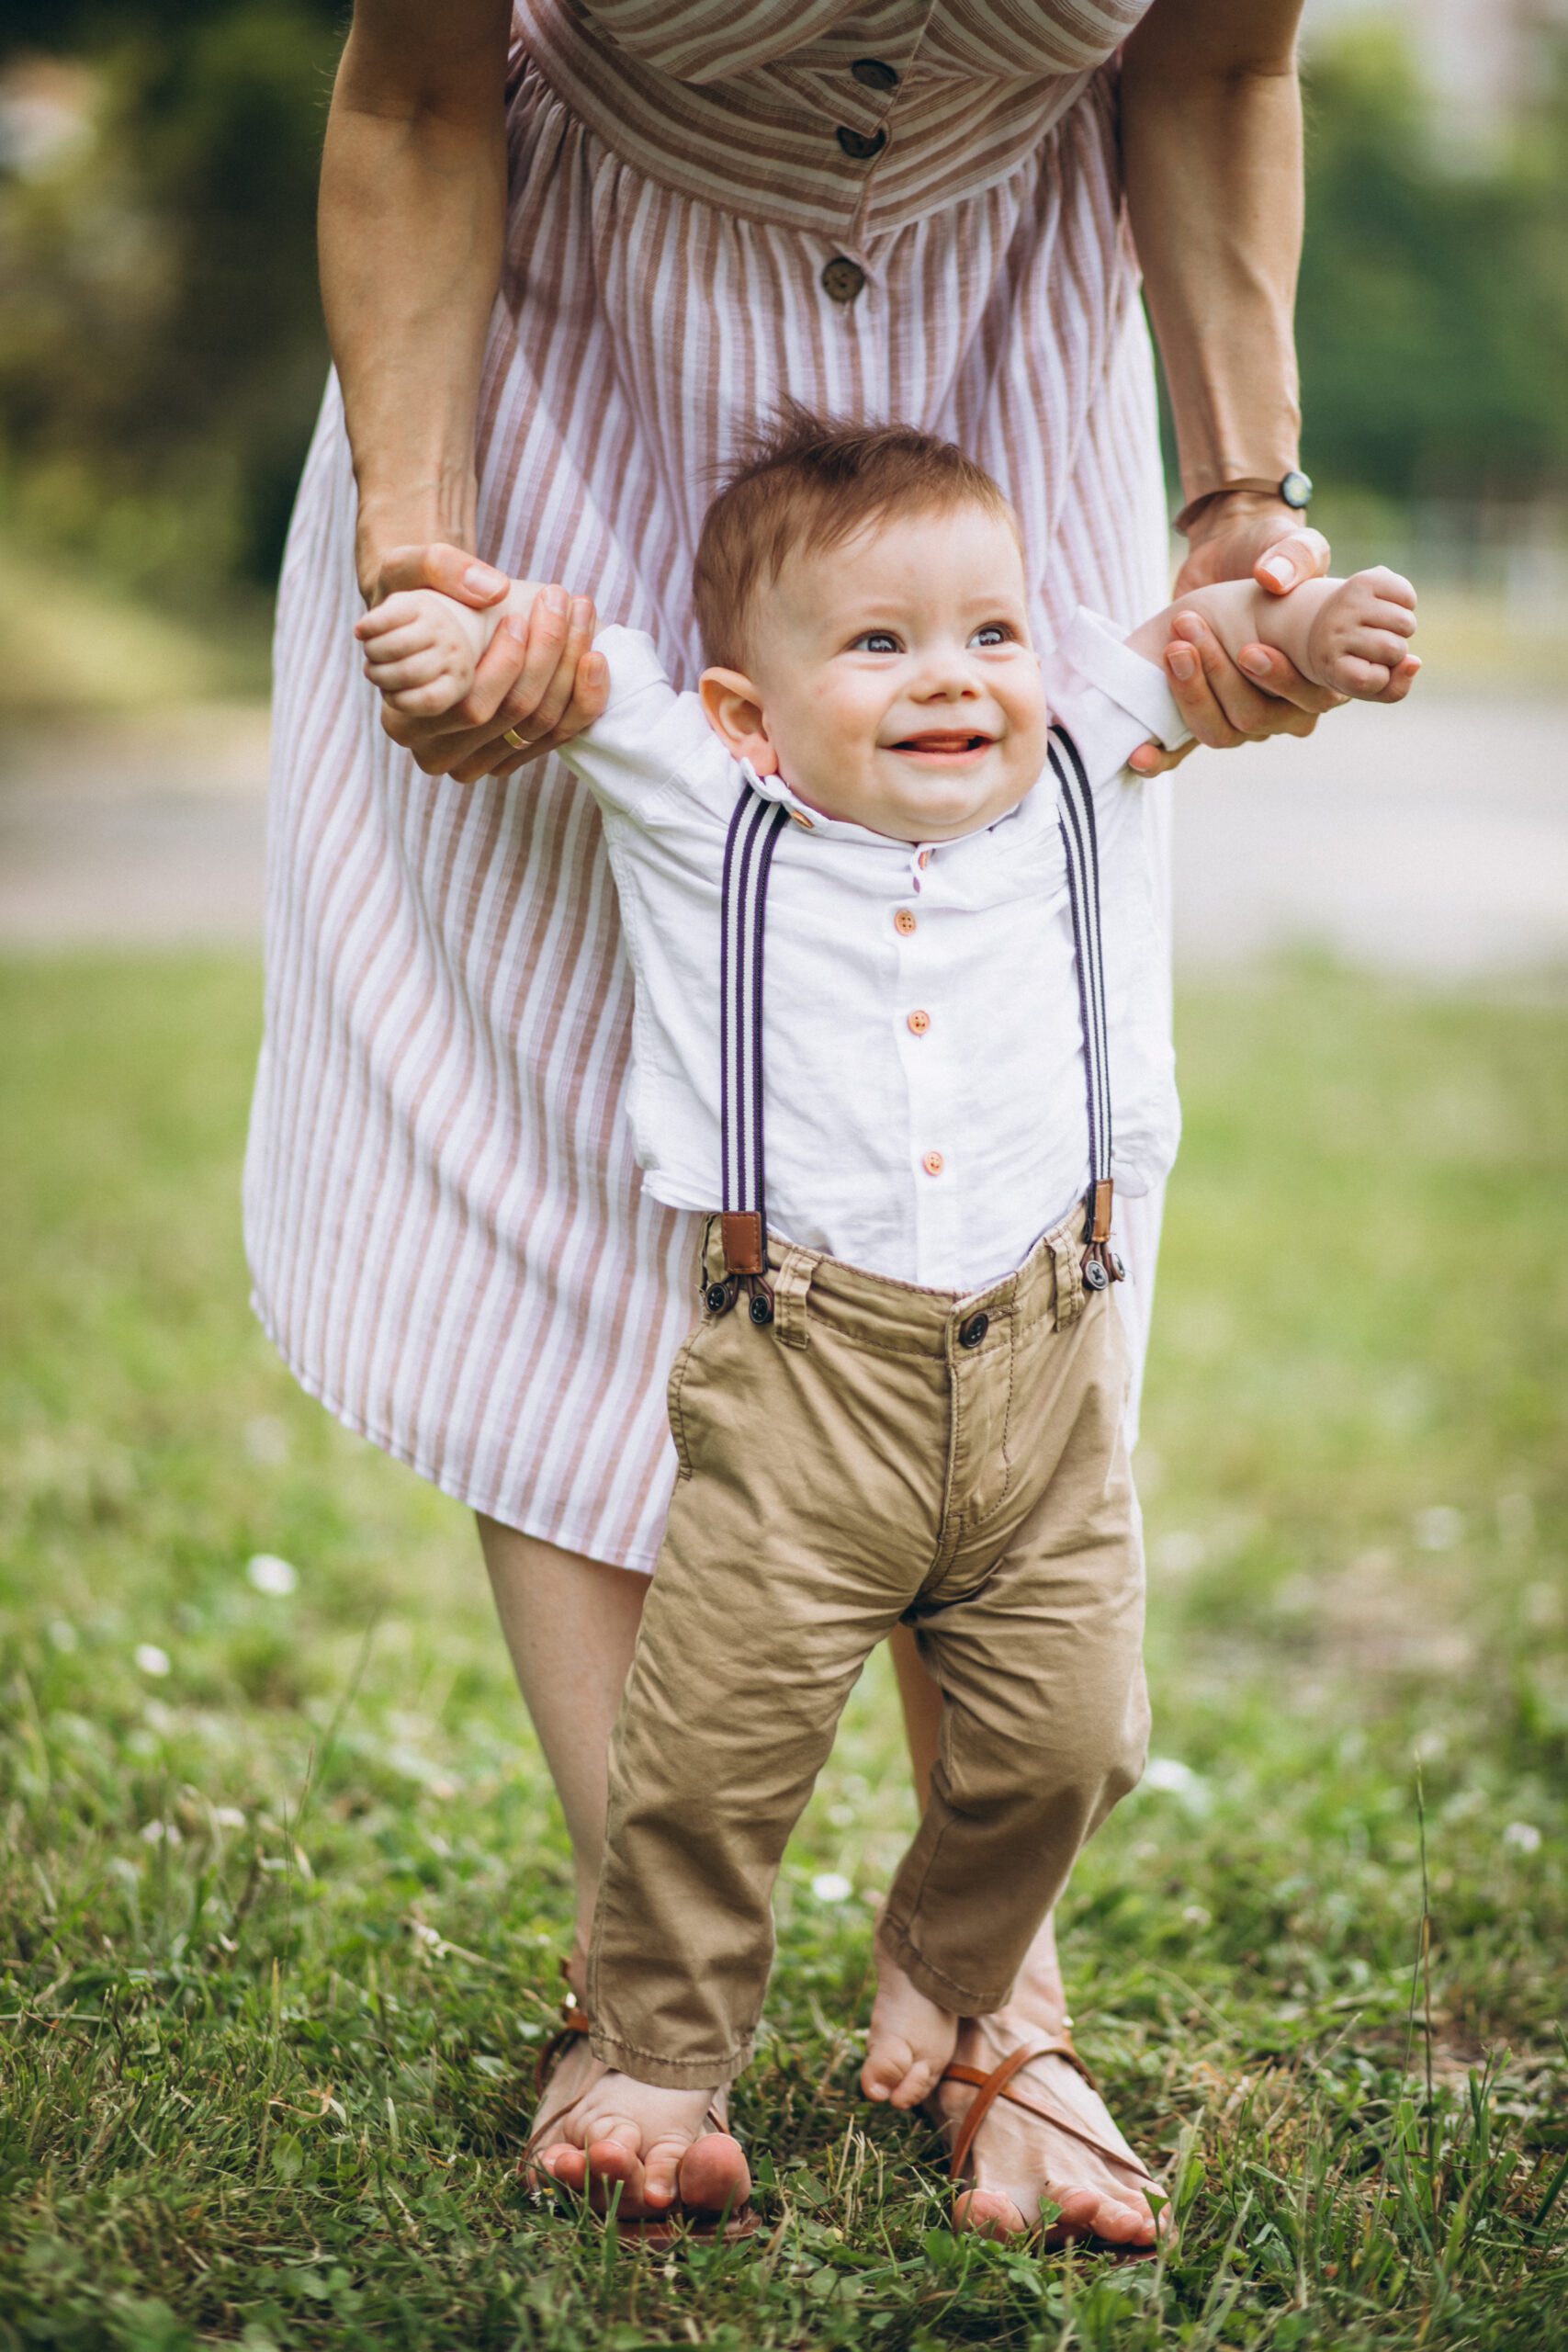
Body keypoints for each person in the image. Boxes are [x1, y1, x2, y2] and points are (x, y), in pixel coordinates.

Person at [248, 0, 1352, 2246]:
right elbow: (416, 87)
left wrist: (1244, 513)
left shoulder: (1003, 660)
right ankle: (645, 1999)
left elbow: (1221, 68)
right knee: (569, 1124)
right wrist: (422, 554)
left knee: (1000, 1125)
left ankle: (989, 2001)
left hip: (1003, 364)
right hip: (556, 374)